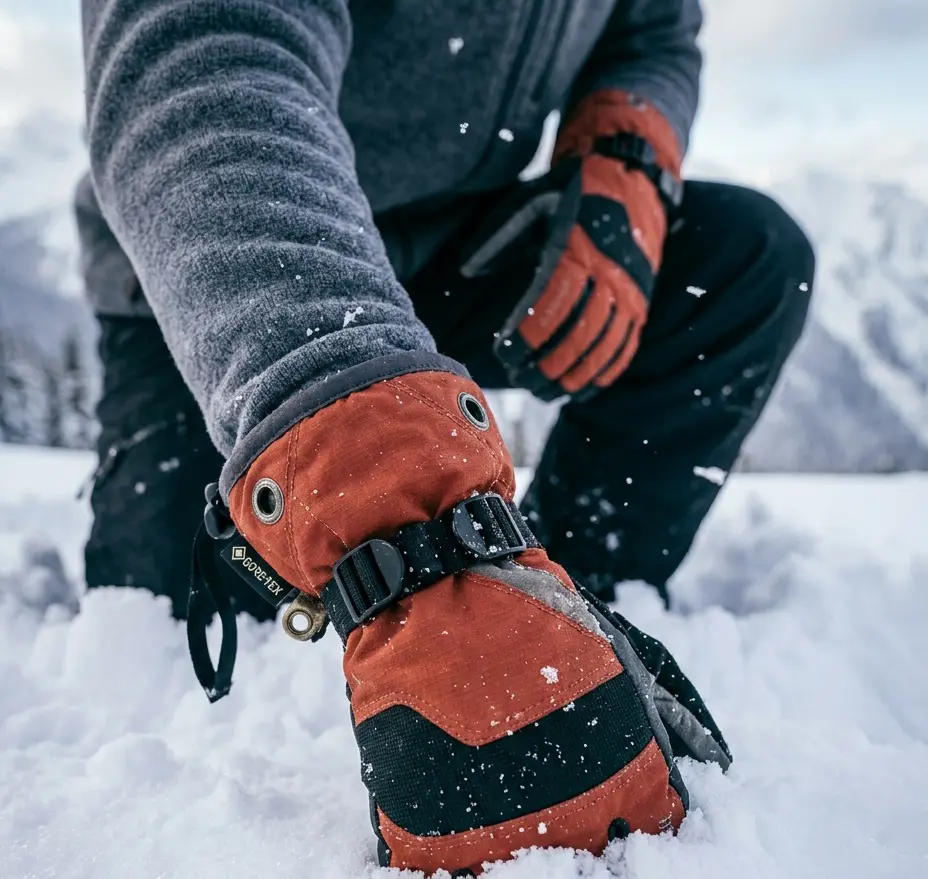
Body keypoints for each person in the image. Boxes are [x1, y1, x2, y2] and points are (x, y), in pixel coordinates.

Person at [78, 0, 811, 872]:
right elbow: (202, 53)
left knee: (743, 259)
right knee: (167, 607)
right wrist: (374, 478)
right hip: (213, 260)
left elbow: (652, 27)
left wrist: (626, 159)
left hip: (452, 233)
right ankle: (446, 604)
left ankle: (549, 614)